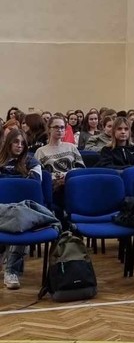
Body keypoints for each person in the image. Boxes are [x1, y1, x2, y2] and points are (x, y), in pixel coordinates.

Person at [0, 127, 42, 290]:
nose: (19, 145)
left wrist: (7, 182)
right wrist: (18, 180)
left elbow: (34, 185)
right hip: (2, 207)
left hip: (23, 207)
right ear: (8, 143)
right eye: (16, 142)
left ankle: (12, 270)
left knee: (21, 220)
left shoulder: (31, 162)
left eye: (23, 143)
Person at [35, 115, 84, 216]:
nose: (60, 130)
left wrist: (67, 177)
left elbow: (81, 168)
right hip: (53, 188)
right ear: (49, 129)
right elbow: (40, 174)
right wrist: (57, 178)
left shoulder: (71, 147)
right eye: (56, 127)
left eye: (62, 127)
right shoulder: (41, 151)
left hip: (72, 184)